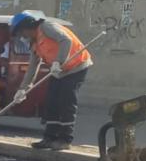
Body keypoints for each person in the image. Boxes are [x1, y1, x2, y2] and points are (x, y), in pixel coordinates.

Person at [9, 10, 94, 150]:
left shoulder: (46, 27)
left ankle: (65, 139)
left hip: (77, 66)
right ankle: (49, 138)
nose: (22, 36)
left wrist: (58, 62)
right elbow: (32, 67)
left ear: (28, 26)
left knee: (66, 101)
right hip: (60, 71)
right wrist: (23, 89)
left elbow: (66, 40)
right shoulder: (34, 42)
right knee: (51, 102)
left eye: (21, 32)